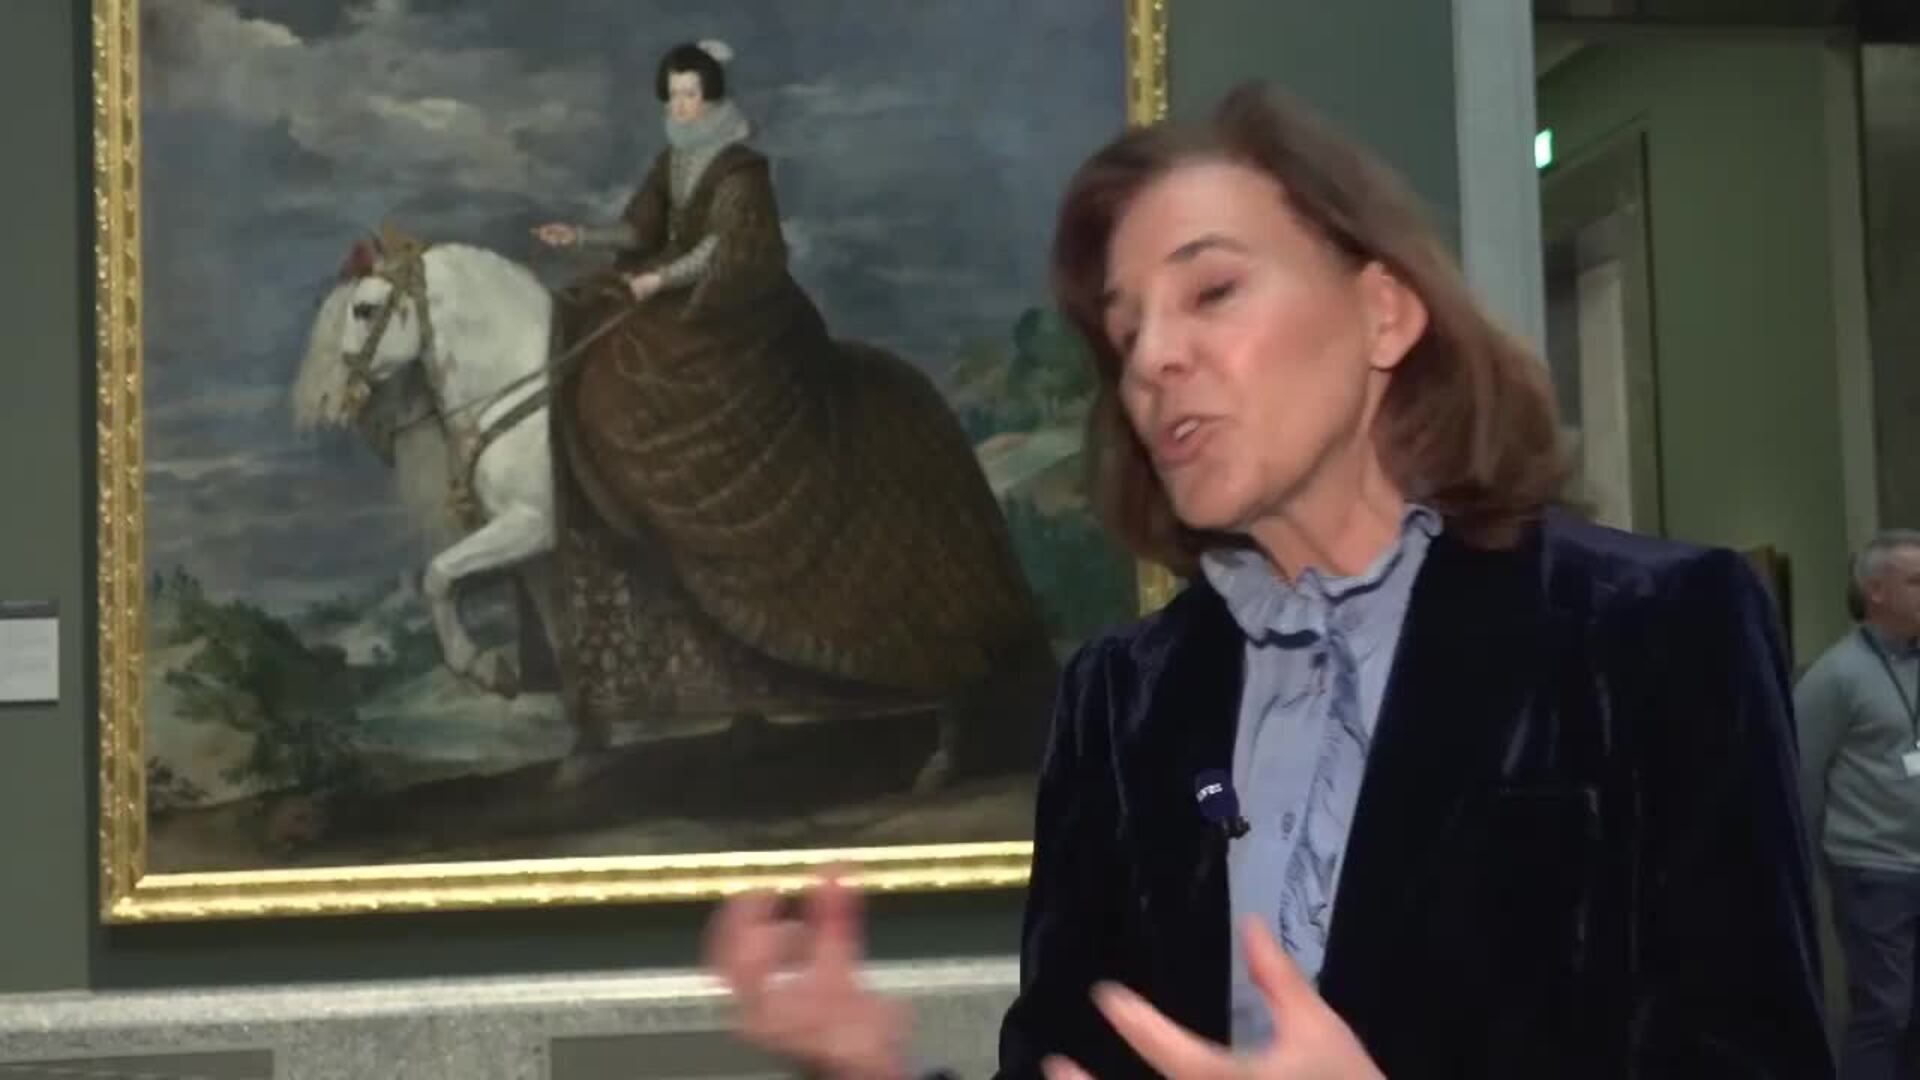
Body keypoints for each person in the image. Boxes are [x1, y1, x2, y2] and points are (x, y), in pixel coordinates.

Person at [703, 82, 1834, 1078]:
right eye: (1126, 333)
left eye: (1211, 292)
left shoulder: (1656, 633)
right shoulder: (1121, 701)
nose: (1154, 360)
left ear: (1384, 313)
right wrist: (871, 1066)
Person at [524, 39, 1056, 787]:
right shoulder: (674, 160)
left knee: (651, 360)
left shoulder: (742, 172)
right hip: (679, 309)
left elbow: (728, 254)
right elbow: (640, 231)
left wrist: (658, 283)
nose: (680, 108)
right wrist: (584, 237)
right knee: (596, 326)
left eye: (689, 96)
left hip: (740, 325)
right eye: (671, 97)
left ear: (712, 99)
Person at [1798, 529, 1920, 1080]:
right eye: (1916, 581)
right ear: (1876, 591)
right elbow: (1804, 773)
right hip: (1873, 869)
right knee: (1886, 1011)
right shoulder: (1836, 675)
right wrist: (1805, 871)